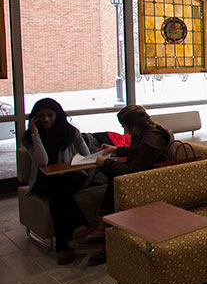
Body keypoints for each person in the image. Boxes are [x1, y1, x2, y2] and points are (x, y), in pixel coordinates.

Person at [69, 105, 172, 264]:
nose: (124, 130)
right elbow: (137, 154)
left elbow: (132, 170)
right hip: (143, 178)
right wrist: (116, 150)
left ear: (134, 126)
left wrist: (105, 163)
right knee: (113, 179)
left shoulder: (152, 138)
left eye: (124, 126)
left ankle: (102, 229)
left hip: (152, 183)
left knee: (115, 177)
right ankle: (103, 229)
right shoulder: (146, 133)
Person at [22, 98, 93, 265]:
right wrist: (35, 135)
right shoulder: (29, 138)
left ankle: (64, 249)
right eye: (41, 116)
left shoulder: (70, 132)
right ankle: (80, 225)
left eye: (50, 115)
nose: (46, 119)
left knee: (58, 193)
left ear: (57, 115)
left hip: (71, 176)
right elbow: (42, 162)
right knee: (57, 190)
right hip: (44, 180)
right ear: (34, 118)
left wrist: (73, 165)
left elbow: (87, 155)